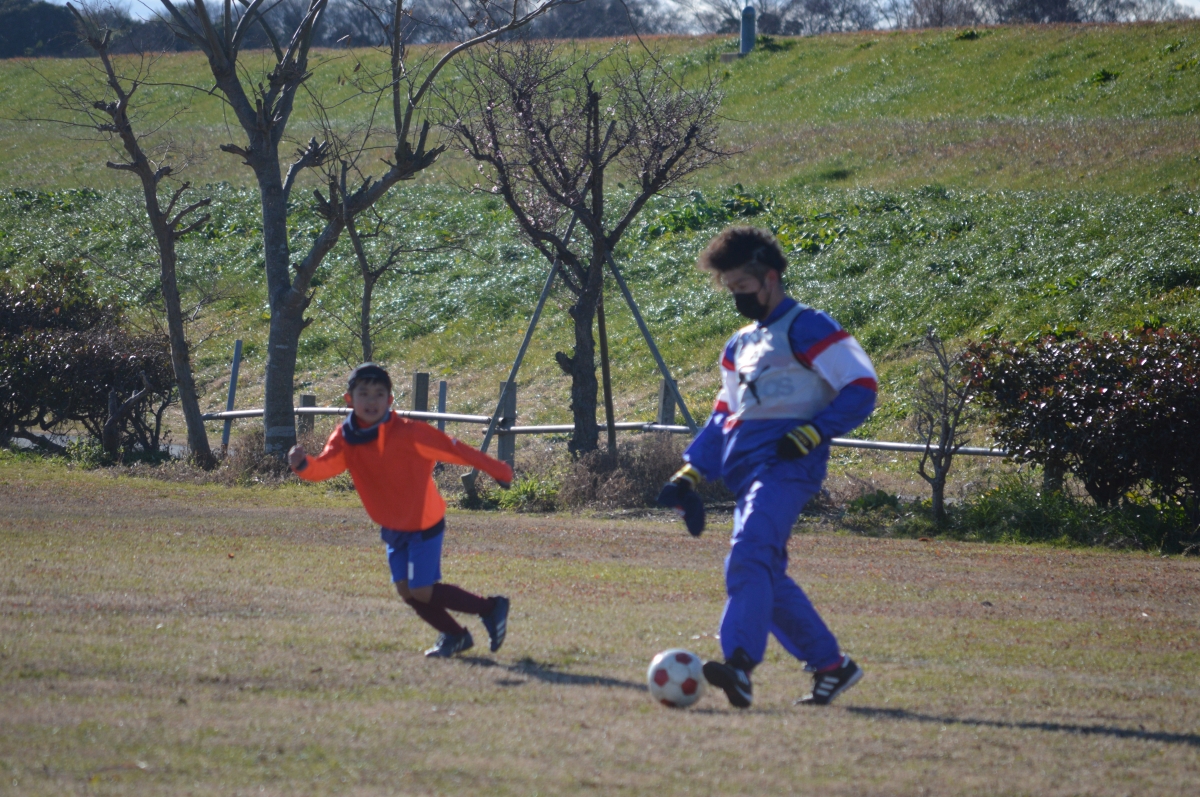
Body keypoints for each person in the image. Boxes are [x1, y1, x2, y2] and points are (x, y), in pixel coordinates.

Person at [657, 227, 877, 708]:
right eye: (730, 289)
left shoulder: (810, 326)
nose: (737, 298)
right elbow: (725, 415)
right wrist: (690, 472)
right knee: (764, 574)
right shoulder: (738, 344)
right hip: (745, 474)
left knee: (748, 555)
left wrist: (815, 431)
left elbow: (862, 385)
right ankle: (832, 666)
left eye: (743, 287)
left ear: (770, 277)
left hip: (787, 469)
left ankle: (738, 663)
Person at [288, 363, 515, 658]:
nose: (372, 401)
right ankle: (456, 636)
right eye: (364, 393)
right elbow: (325, 466)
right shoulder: (345, 438)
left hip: (424, 522)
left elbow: (456, 450)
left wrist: (499, 470)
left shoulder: (410, 433)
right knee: (406, 590)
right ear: (349, 399)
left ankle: (491, 608)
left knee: (421, 589)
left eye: (379, 394)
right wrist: (303, 465)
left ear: (390, 400)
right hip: (393, 526)